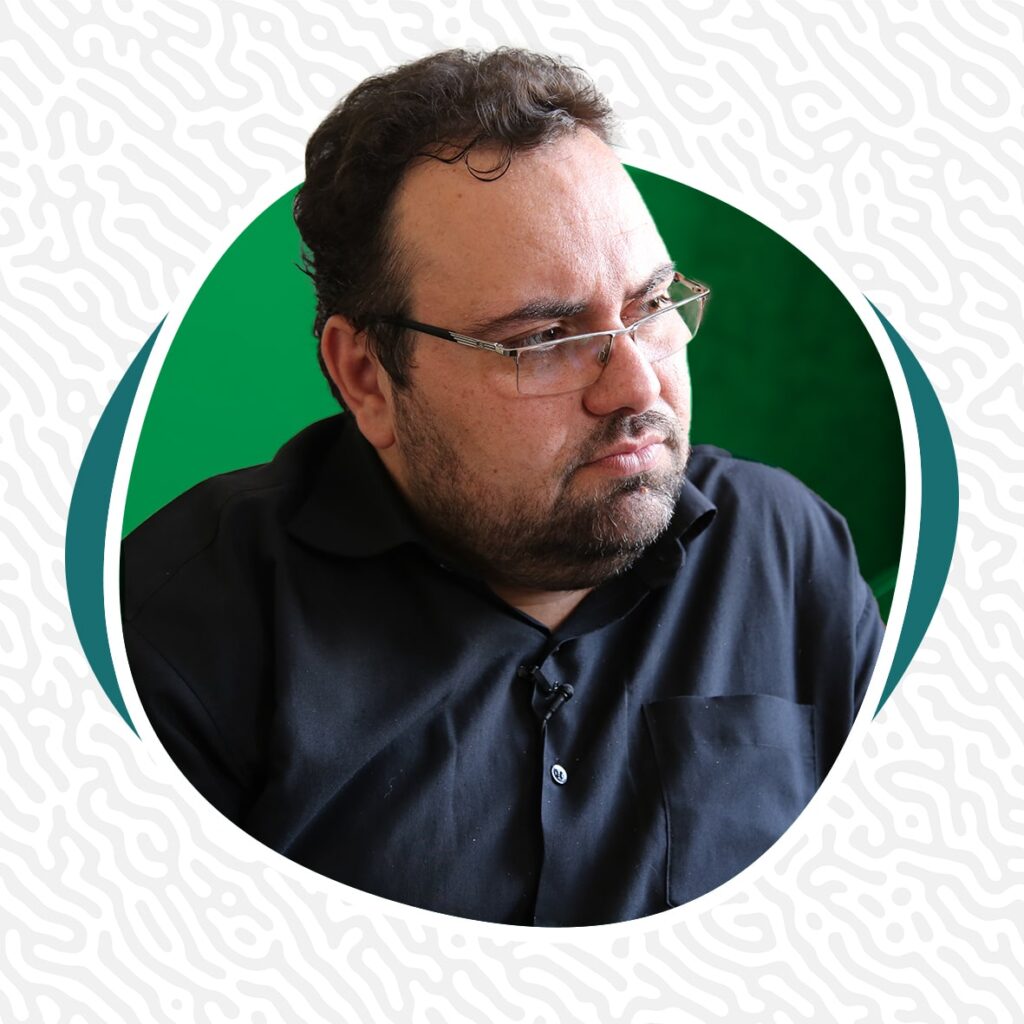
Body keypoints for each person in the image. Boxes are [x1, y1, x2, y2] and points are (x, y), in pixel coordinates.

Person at [121, 47, 883, 926]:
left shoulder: (787, 551)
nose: (636, 387)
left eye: (650, 306)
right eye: (544, 339)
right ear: (368, 376)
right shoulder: (176, 629)